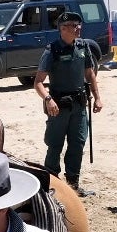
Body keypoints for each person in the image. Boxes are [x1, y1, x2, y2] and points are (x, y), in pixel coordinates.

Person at [34, 11, 104, 198]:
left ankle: (73, 184)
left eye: (79, 25)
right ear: (62, 29)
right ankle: (51, 184)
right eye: (74, 26)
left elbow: (90, 75)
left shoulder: (83, 46)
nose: (78, 28)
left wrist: (97, 97)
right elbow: (38, 82)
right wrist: (48, 100)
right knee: (55, 145)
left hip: (79, 105)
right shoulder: (52, 50)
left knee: (77, 144)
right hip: (58, 107)